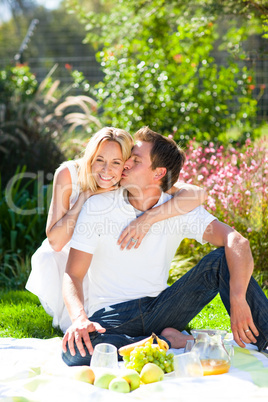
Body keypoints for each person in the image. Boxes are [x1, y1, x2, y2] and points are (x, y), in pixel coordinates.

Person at [61, 126, 268, 366]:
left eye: (135, 160)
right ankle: (166, 341)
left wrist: (238, 297)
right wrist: (78, 319)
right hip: (113, 314)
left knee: (222, 260)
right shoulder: (98, 206)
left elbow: (237, 241)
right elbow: (73, 273)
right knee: (75, 353)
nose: (125, 164)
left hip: (164, 308)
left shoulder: (176, 208)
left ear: (158, 172)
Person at [26, 127, 206, 332]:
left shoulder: (124, 177)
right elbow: (56, 242)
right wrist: (86, 197)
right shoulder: (69, 174)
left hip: (103, 256)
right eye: (100, 160)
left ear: (125, 163)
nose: (106, 170)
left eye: (116, 162)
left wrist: (148, 218)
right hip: (68, 253)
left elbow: (198, 194)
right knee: (74, 316)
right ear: (90, 156)